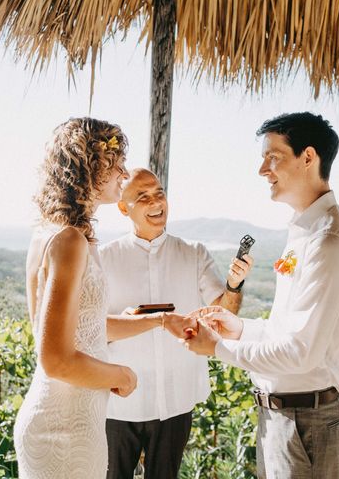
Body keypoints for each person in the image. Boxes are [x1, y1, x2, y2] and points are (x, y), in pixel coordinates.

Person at [185, 112, 339, 478]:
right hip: (286, 416)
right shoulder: (305, 232)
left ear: (308, 157)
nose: (262, 170)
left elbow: (301, 353)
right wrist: (240, 329)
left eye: (273, 157)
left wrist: (218, 348)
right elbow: (289, 330)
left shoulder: (328, 241)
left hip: (305, 422)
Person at [100, 168, 254, 479]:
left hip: (176, 397)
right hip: (118, 403)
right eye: (143, 197)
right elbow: (92, 327)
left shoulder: (194, 253)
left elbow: (221, 313)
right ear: (122, 207)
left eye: (159, 194)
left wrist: (234, 286)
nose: (156, 203)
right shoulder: (103, 258)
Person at [14, 118, 139, 479]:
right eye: (116, 162)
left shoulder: (51, 234)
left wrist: (159, 322)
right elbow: (56, 358)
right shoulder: (69, 240)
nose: (124, 172)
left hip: (69, 422)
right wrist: (121, 374)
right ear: (89, 164)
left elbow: (85, 327)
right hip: (64, 431)